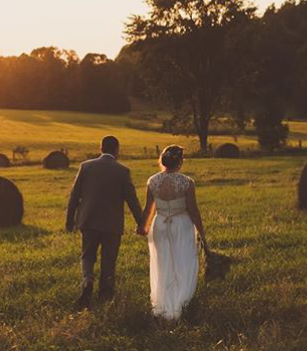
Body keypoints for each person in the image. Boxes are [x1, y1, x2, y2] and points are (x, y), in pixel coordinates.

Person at [66, 135, 143, 310]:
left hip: (89, 220)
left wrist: (69, 220)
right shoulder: (122, 171)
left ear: (100, 148)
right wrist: (141, 222)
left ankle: (87, 281)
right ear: (117, 150)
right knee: (109, 259)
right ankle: (106, 294)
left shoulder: (85, 167)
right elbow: (132, 200)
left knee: (87, 255)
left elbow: (74, 196)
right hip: (112, 224)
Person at [138, 145, 208, 320]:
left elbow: (148, 209)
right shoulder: (187, 182)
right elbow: (193, 210)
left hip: (160, 224)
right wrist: (201, 232)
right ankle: (181, 303)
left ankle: (163, 304)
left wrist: (143, 226)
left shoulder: (152, 181)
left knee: (162, 264)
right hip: (181, 224)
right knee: (184, 262)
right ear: (180, 161)